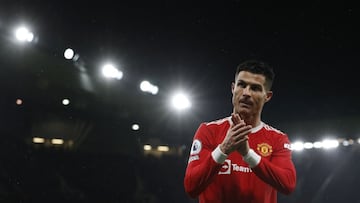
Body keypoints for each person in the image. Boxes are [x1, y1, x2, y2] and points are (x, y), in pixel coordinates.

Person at [183, 59, 296, 203]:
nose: (246, 93)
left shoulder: (278, 139)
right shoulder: (208, 130)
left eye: (255, 88)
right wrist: (223, 149)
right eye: (241, 85)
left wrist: (248, 154)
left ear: (267, 96)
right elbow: (191, 187)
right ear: (232, 88)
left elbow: (288, 185)